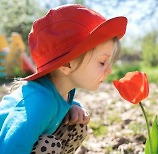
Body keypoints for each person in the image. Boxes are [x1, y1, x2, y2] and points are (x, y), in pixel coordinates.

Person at [0, 4, 127, 154]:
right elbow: (10, 147)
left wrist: (73, 105)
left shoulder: (60, 93)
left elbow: (56, 102)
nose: (109, 70)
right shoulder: (39, 102)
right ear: (67, 64)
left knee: (77, 125)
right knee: (47, 145)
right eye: (102, 62)